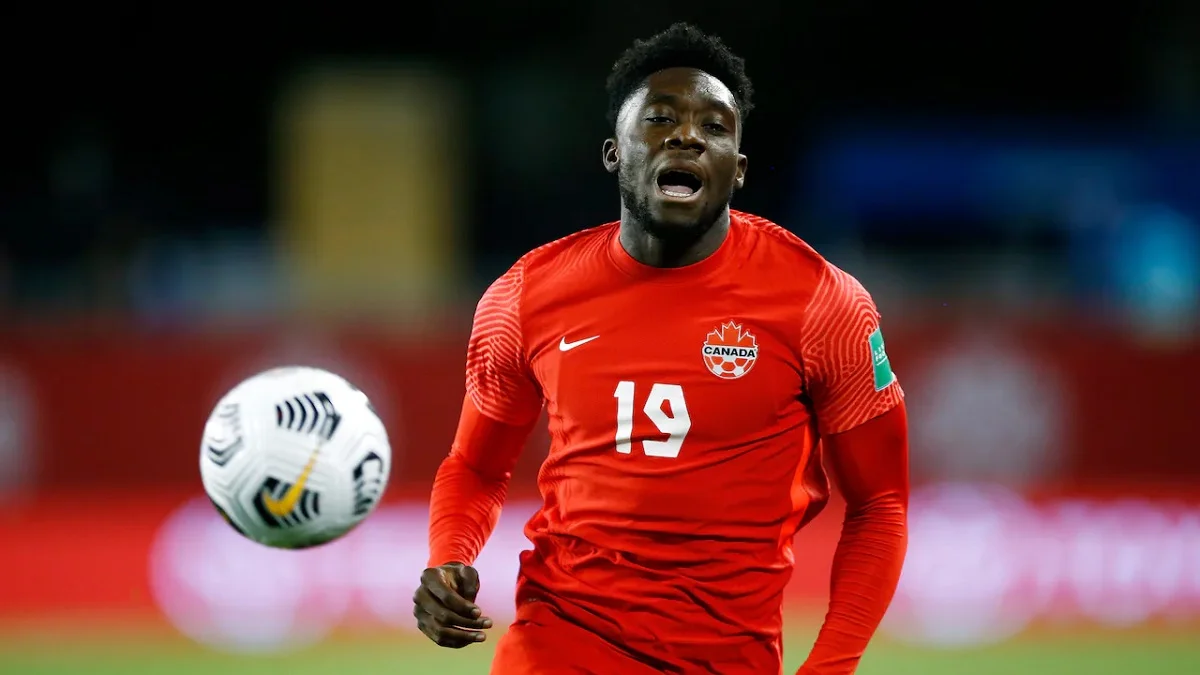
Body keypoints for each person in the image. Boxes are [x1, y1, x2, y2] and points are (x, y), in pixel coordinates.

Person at [413, 22, 910, 675]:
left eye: (714, 127)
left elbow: (880, 503)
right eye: (660, 118)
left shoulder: (823, 304)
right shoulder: (525, 295)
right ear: (613, 152)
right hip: (559, 641)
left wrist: (831, 665)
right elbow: (475, 467)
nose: (687, 136)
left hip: (730, 658)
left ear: (738, 170)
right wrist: (449, 555)